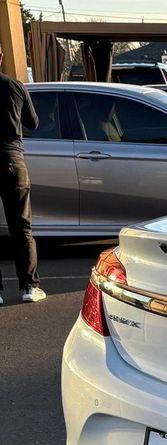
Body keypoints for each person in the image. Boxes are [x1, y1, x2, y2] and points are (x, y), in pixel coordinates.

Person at [0, 46, 44, 305]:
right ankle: (29, 286)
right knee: (21, 227)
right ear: (1, 57)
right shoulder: (15, 86)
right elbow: (33, 123)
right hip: (12, 159)